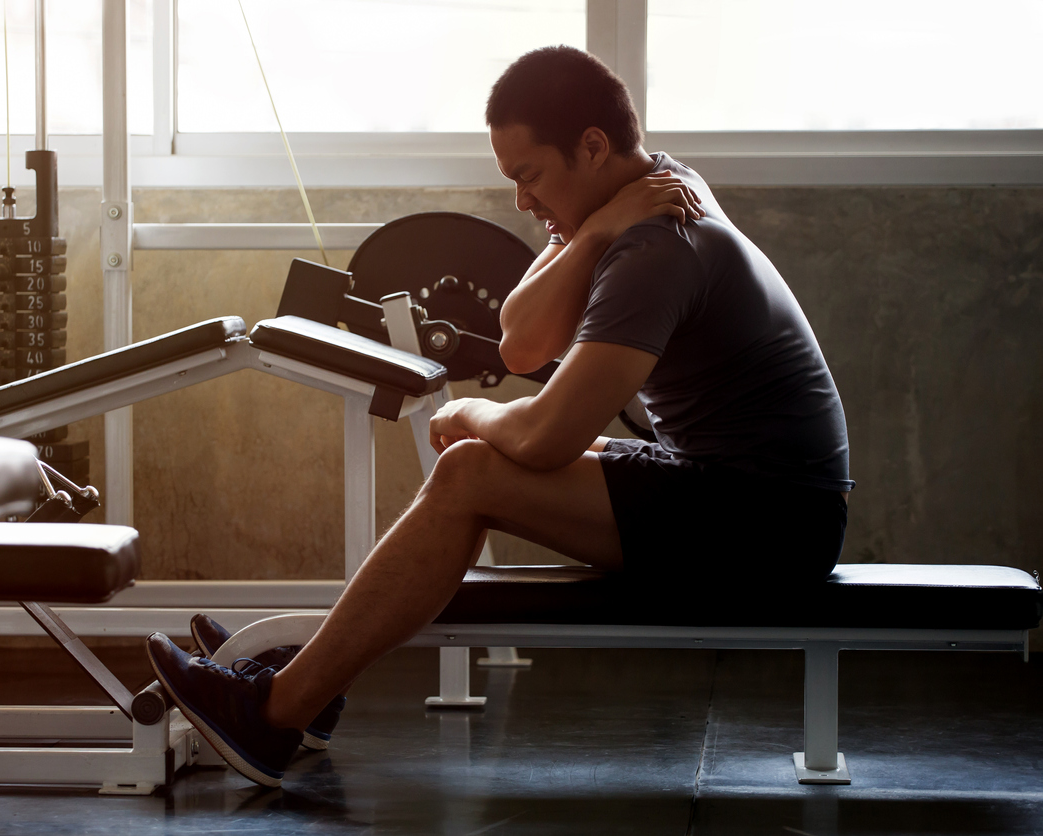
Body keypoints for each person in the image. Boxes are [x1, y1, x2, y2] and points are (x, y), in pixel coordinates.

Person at [145, 45, 854, 788]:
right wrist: (593, 230)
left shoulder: (659, 245)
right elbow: (523, 340)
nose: (522, 200)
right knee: (468, 465)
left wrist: (481, 411)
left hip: (769, 520)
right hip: (743, 493)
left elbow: (547, 437)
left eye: (530, 176)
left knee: (469, 470)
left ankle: (276, 710)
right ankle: (311, 687)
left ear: (592, 146)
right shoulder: (645, 194)